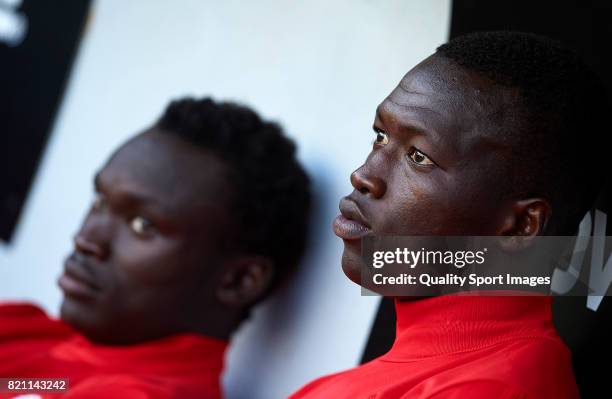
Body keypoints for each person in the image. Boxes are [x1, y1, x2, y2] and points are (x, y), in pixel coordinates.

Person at [290, 31, 607, 398]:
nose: (364, 176)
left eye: (419, 156)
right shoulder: (393, 377)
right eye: (380, 136)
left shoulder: (494, 387)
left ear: (521, 225)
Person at [0, 97, 311, 398]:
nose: (86, 239)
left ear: (239, 279)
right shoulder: (23, 326)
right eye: (100, 202)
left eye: (142, 225)